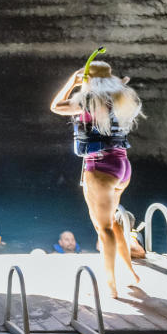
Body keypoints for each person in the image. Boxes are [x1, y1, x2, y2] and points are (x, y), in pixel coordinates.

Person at [51, 60, 143, 297]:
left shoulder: (89, 100)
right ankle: (131, 273)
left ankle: (111, 284)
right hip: (123, 166)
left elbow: (56, 106)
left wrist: (72, 81)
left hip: (101, 167)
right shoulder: (121, 98)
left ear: (88, 81)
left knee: (103, 229)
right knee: (113, 223)